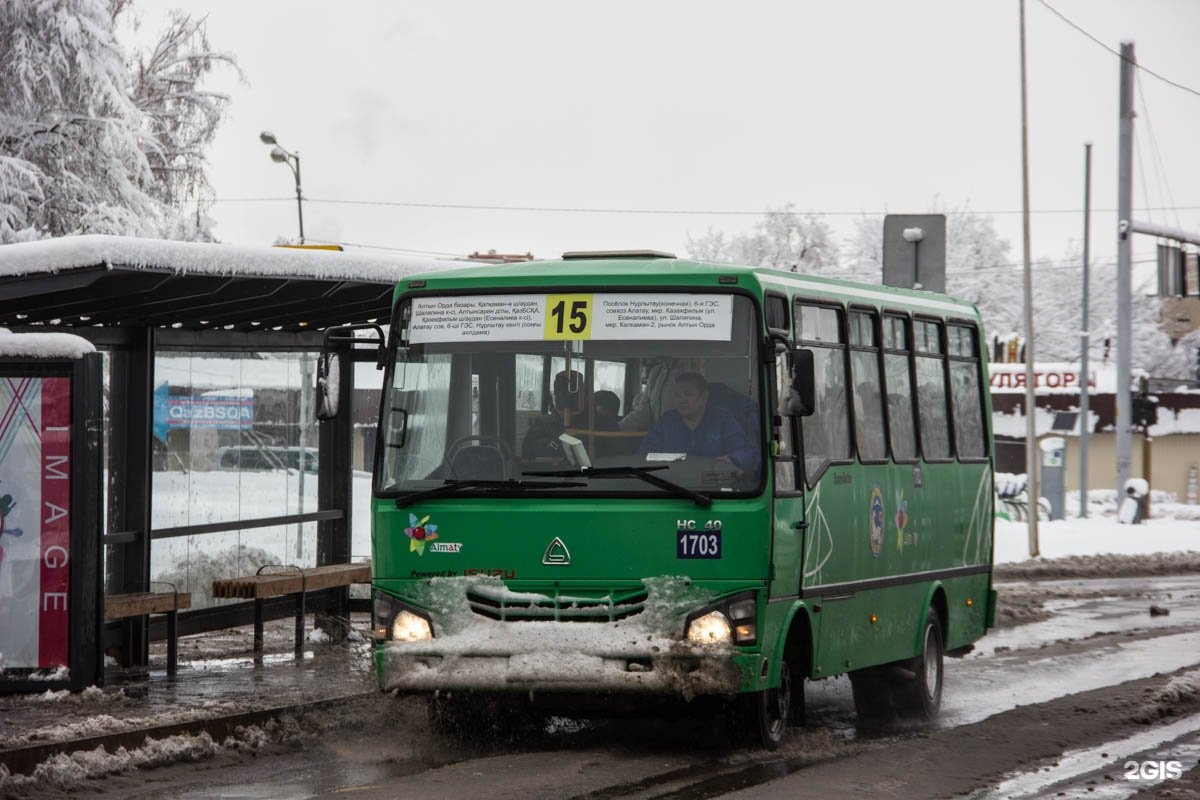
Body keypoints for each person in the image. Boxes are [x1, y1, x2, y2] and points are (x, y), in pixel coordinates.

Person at [637, 372, 758, 472]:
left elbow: (746, 452)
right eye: (678, 395)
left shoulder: (723, 420)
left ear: (704, 397)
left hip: (712, 487)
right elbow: (643, 456)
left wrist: (731, 459)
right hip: (670, 487)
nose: (682, 399)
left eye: (687, 394)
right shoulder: (665, 422)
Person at [521, 370, 583, 461]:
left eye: (574, 398)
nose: (567, 403)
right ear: (555, 396)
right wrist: (560, 440)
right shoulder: (544, 422)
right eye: (562, 395)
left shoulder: (590, 423)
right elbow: (528, 450)